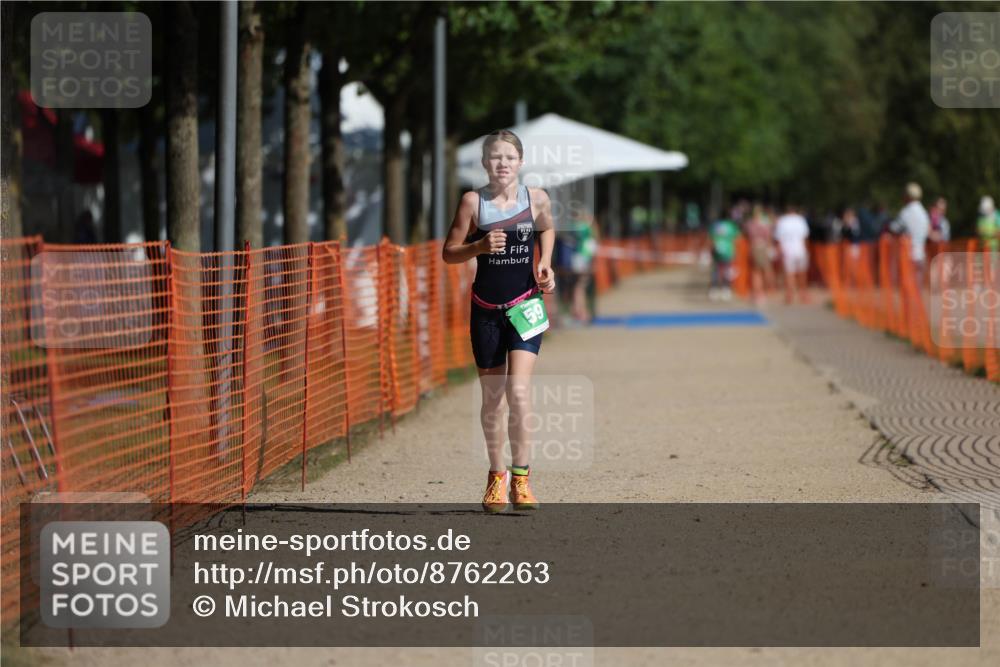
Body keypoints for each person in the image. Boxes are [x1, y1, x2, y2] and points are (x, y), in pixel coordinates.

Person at [442, 129, 556, 513]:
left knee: (519, 393)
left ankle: (521, 480)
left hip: (525, 305)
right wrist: (477, 245)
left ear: (520, 162)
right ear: (484, 163)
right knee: (493, 400)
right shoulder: (472, 202)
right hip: (486, 310)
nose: (502, 164)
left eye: (509, 157)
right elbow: (449, 253)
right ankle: (496, 477)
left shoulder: (535, 198)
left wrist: (545, 262)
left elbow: (548, 227)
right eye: (495, 157)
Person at [891, 182, 930, 285]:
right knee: (917, 288)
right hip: (920, 255)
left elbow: (894, 229)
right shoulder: (924, 213)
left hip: (908, 255)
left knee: (907, 288)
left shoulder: (906, 212)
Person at [774, 204, 811, 304]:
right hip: (800, 250)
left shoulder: (782, 221)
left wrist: (779, 250)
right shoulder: (800, 220)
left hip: (788, 251)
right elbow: (805, 237)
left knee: (789, 274)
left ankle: (789, 295)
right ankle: (803, 294)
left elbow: (778, 238)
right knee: (802, 273)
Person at [567, 211, 599, 323]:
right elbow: (594, 235)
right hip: (582, 259)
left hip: (580, 258)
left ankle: (577, 311)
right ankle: (580, 312)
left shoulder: (578, 228)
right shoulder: (583, 228)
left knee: (579, 286)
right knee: (580, 286)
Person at [745, 204, 774, 305]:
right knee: (764, 271)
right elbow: (769, 236)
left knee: (756, 272)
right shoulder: (764, 223)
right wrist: (770, 249)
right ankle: (763, 293)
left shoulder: (750, 224)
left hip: (754, 248)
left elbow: (748, 237)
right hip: (762, 247)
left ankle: (758, 293)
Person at [708, 215, 740, 301]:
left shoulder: (715, 225)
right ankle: (726, 289)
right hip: (728, 251)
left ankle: (714, 290)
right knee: (727, 271)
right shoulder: (731, 226)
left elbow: (711, 239)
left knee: (716, 271)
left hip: (716, 251)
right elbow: (736, 238)